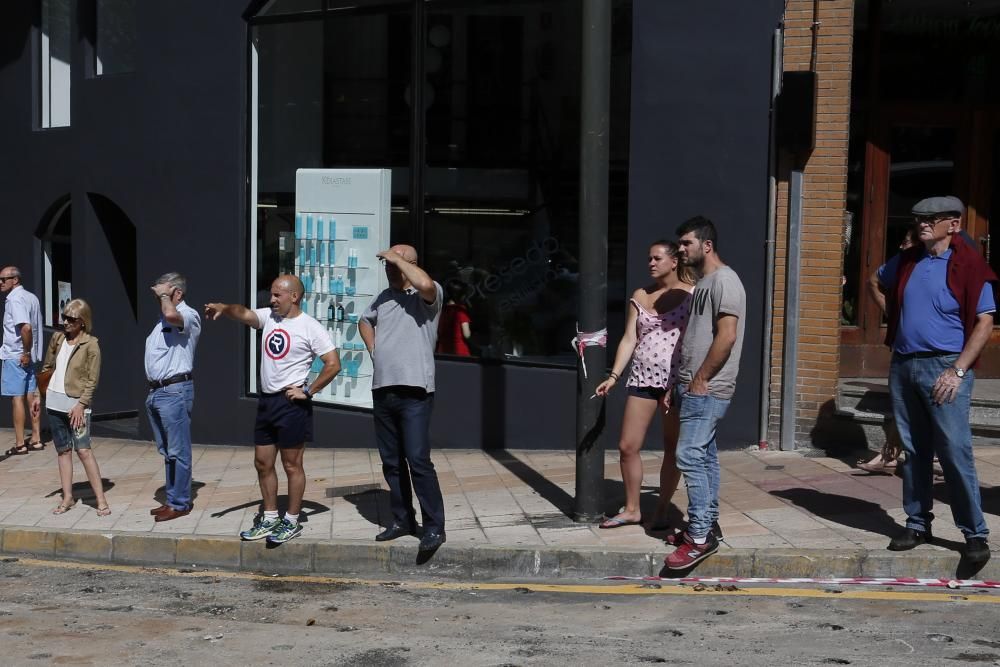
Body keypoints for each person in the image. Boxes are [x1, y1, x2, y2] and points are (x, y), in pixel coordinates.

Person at [875, 196, 995, 565]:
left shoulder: (970, 264)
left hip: (944, 367)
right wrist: (894, 319)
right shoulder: (909, 260)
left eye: (931, 218)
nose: (922, 223)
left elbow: (985, 323)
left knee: (955, 452)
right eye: (918, 218)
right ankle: (917, 523)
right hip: (905, 364)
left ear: (953, 224)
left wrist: (958, 370)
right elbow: (875, 281)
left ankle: (974, 533)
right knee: (914, 452)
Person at [205, 275, 340, 544]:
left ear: (295, 296)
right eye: (272, 294)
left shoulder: (310, 327)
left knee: (292, 465)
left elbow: (333, 363)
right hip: (267, 402)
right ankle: (269, 518)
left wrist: (308, 391)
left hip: (291, 404)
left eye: (278, 295)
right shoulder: (269, 317)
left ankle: (291, 520)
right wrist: (224, 307)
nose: (272, 299)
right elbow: (243, 313)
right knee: (262, 462)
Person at [663, 216, 746, 570]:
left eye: (686, 244)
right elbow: (695, 338)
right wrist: (677, 381)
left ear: (706, 245)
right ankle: (707, 524)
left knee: (689, 456)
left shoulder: (726, 282)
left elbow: (726, 337)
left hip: (708, 386)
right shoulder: (705, 283)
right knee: (705, 456)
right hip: (690, 383)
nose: (680, 250)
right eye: (680, 244)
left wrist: (700, 379)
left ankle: (698, 537)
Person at [594, 240, 694, 530]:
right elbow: (629, 338)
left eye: (657, 258)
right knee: (627, 446)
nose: (651, 263)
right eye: (649, 258)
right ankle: (633, 509)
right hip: (642, 378)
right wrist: (613, 376)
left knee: (671, 447)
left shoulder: (692, 295)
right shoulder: (640, 294)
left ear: (674, 261)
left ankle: (662, 509)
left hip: (673, 383)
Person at [359, 244, 447, 552]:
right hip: (384, 389)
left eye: (395, 266)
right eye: (387, 267)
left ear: (411, 264)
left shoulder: (428, 295)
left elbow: (423, 284)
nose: (390, 270)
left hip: (415, 392)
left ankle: (434, 527)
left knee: (418, 460)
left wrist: (397, 258)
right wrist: (374, 351)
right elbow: (364, 321)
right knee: (391, 462)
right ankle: (402, 519)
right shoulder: (383, 298)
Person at [30, 299, 110, 515]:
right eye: (64, 318)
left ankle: (101, 500)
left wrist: (81, 405)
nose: (65, 322)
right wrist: (38, 395)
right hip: (54, 403)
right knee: (63, 451)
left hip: (76, 407)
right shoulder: (57, 338)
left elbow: (92, 380)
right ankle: (67, 498)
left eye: (71, 319)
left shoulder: (91, 344)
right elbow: (47, 369)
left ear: (82, 322)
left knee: (83, 450)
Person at [144, 272, 202, 522]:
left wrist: (165, 296)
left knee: (179, 451)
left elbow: (171, 315)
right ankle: (172, 498)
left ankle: (180, 503)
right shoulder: (161, 320)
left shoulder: (188, 315)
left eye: (164, 293)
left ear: (177, 292)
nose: (158, 297)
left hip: (174, 391)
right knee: (168, 451)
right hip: (158, 392)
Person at [1, 266, 44, 455]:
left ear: (15, 280)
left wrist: (25, 352)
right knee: (31, 396)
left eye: (4, 279)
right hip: (29, 356)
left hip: (17, 355)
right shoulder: (31, 297)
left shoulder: (15, 299)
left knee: (17, 398)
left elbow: (25, 328)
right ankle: (36, 439)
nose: (0, 283)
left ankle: (20, 443)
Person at [436, 278, 473, 356]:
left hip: (442, 350)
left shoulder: (442, 310)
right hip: (459, 351)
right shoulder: (460, 310)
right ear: (461, 296)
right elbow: (466, 334)